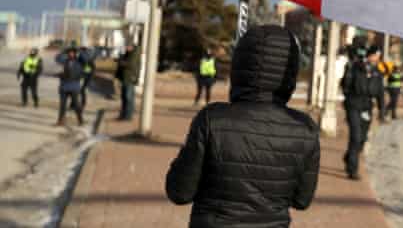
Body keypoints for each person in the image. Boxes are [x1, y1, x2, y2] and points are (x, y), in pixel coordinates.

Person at [165, 24, 320, 227]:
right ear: (290, 72)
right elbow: (302, 200)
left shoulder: (212, 120)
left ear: (239, 66)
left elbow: (179, 192)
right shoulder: (304, 129)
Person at [341, 45, 382, 180]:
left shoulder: (377, 71)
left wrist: (382, 111)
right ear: (370, 55)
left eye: (379, 56)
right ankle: (353, 170)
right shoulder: (355, 67)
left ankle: (349, 157)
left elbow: (380, 91)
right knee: (356, 136)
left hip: (367, 107)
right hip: (353, 104)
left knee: (363, 138)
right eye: (376, 55)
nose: (377, 58)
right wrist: (349, 97)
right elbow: (345, 85)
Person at [56, 47, 84, 126]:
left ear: (75, 54)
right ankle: (60, 121)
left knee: (76, 105)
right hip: (64, 87)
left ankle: (80, 120)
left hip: (74, 87)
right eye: (69, 52)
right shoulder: (64, 61)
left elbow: (86, 58)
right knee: (62, 105)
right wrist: (63, 51)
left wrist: (80, 51)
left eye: (72, 52)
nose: (70, 54)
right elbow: (57, 58)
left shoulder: (79, 62)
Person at [116, 44, 141, 121]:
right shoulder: (129, 54)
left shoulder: (134, 55)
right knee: (124, 97)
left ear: (132, 47)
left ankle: (128, 116)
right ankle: (124, 115)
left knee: (128, 97)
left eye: (128, 46)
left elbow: (130, 64)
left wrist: (121, 61)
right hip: (126, 78)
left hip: (129, 79)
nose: (126, 48)